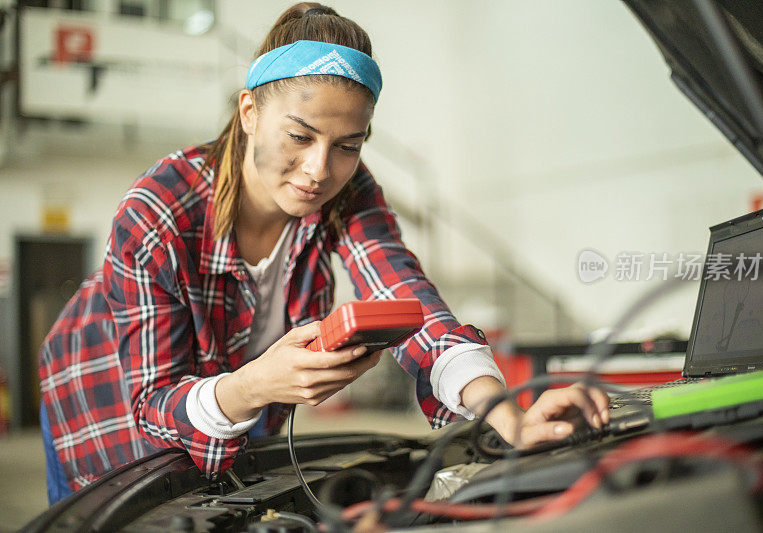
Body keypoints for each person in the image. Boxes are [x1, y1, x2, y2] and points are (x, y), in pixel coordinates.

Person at [38, 2, 609, 505]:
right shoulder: (159, 211)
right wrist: (258, 385)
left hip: (233, 420)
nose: (319, 170)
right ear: (249, 113)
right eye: (300, 136)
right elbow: (153, 402)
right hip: (101, 405)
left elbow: (406, 295)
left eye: (347, 146)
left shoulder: (351, 190)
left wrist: (505, 415)